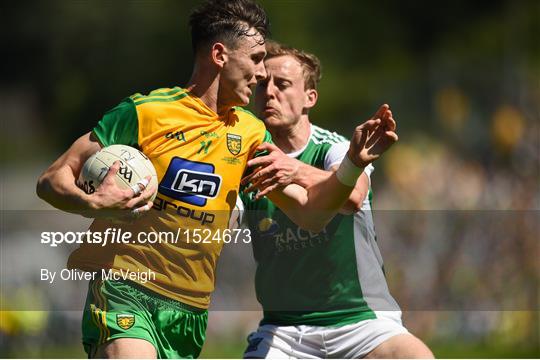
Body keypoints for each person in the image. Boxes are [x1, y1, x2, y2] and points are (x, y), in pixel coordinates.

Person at [35, 0, 397, 357]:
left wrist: (351, 164)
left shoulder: (252, 134)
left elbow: (310, 213)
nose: (260, 77)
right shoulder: (145, 112)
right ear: (220, 55)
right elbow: (53, 178)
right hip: (124, 287)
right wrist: (93, 203)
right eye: (255, 60)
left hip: (190, 308)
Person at [240, 41, 433, 358]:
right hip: (285, 331)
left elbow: (353, 197)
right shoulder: (246, 158)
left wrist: (296, 169)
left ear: (309, 98)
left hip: (362, 323)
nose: (269, 92)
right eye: (261, 84)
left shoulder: (338, 149)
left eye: (283, 84)